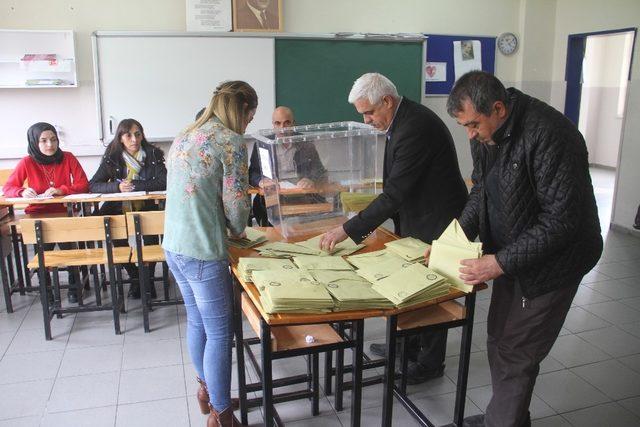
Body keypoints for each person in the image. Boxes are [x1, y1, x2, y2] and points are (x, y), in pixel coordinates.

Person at [440, 71, 603, 427]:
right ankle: (508, 417)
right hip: (514, 254)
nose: (469, 134)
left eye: (473, 125)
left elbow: (562, 220)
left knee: (517, 351)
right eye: (464, 126)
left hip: (556, 261)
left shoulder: (551, 134)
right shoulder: (486, 134)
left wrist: (498, 263)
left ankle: (502, 421)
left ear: (498, 108)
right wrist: (452, 240)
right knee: (499, 339)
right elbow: (481, 190)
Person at [320, 73, 468, 384]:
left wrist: (346, 230)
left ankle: (429, 364)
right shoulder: (400, 120)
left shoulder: (415, 127)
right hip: (418, 215)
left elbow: (394, 194)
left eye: (370, 112)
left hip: (437, 219)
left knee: (432, 289)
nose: (367, 119)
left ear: (387, 101)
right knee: (411, 283)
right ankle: (405, 347)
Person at [163, 81, 255, 427]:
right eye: (250, 116)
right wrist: (240, 226)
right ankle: (222, 414)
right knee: (220, 334)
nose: (248, 124)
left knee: (198, 321)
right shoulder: (231, 142)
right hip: (202, 251)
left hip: (175, 246)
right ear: (242, 109)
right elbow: (236, 211)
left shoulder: (186, 135)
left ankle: (207, 390)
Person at [3, 122, 90, 303]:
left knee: (69, 249)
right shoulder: (27, 162)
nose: (50, 145)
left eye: (53, 140)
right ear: (34, 142)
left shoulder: (67, 157)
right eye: (43, 140)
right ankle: (47, 289)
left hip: (64, 213)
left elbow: (83, 184)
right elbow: (8, 188)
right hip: (38, 216)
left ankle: (75, 286)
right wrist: (21, 191)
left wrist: (63, 190)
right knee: (43, 253)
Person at [89, 119, 167, 299]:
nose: (134, 139)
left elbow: (163, 181)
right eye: (129, 135)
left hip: (147, 207)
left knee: (150, 240)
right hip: (118, 208)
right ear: (121, 138)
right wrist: (117, 188)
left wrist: (134, 185)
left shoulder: (153, 154)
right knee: (116, 236)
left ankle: (147, 281)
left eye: (138, 134)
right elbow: (93, 185)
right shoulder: (113, 156)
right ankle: (135, 277)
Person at [248, 106, 327, 226]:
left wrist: (310, 178)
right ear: (273, 125)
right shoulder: (263, 143)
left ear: (293, 124)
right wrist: (261, 181)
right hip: (274, 198)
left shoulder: (305, 142)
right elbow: (253, 172)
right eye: (277, 123)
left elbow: (319, 170)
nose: (282, 128)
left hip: (301, 195)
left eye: (287, 123)